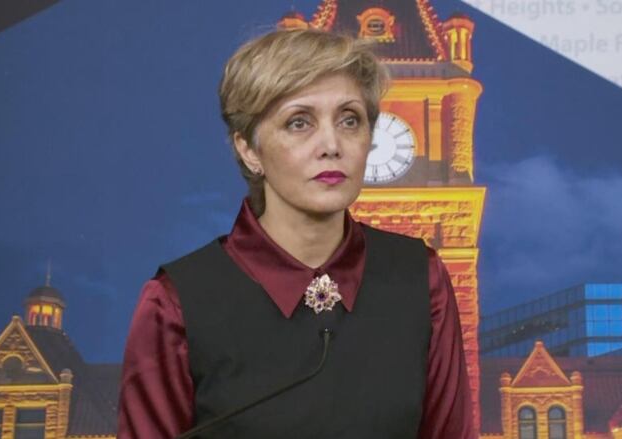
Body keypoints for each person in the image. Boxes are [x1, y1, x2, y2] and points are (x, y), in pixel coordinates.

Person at [117, 28, 474, 439]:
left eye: (349, 120)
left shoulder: (421, 279)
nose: (331, 144)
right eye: (299, 122)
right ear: (249, 149)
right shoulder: (174, 303)